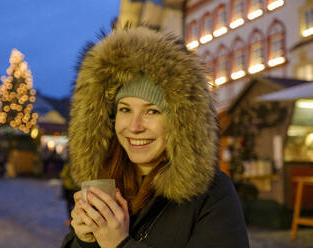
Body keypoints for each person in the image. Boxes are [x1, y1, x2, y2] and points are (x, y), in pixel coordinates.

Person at [61, 27, 249, 248]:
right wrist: (84, 241)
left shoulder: (213, 194)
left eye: (152, 111)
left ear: (180, 123)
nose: (134, 126)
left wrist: (119, 244)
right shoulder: (103, 183)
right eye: (125, 109)